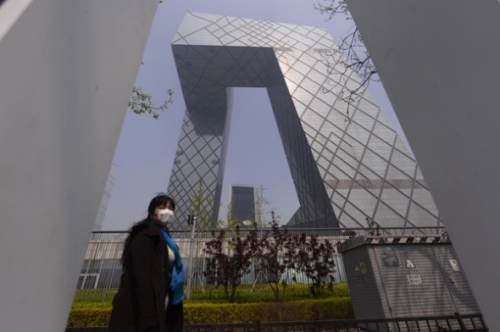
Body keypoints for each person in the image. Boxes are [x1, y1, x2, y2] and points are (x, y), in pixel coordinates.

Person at [109, 194, 184, 332]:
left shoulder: (167, 241)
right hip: (145, 314)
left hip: (164, 307)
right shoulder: (145, 236)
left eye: (170, 208)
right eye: (162, 207)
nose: (167, 211)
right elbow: (142, 279)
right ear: (151, 212)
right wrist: (149, 320)